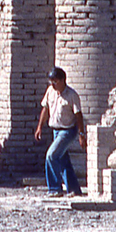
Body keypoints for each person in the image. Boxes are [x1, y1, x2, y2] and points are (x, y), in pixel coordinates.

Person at [32, 66, 84, 196]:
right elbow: (45, 109)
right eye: (51, 82)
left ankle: (55, 188)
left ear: (62, 80)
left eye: (55, 82)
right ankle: (74, 189)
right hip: (55, 130)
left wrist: (81, 134)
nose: (53, 85)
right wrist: (39, 127)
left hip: (67, 131)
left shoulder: (72, 95)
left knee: (51, 155)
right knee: (62, 160)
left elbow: (78, 115)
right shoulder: (50, 91)